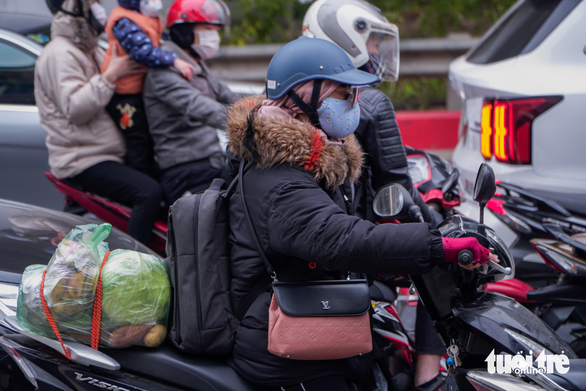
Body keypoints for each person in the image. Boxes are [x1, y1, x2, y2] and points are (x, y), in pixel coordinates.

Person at [225, 36, 495, 391]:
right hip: (285, 352)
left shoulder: (300, 163)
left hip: (313, 322)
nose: (354, 103)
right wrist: (438, 245)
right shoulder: (280, 180)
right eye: (344, 94)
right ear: (303, 97)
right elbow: (343, 239)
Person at [303, 2, 446, 389]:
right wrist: (439, 232)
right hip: (356, 249)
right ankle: (427, 375)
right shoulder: (369, 103)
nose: (378, 53)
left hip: (306, 257)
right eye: (372, 42)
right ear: (346, 38)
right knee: (437, 258)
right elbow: (396, 185)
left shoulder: (294, 98)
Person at [35, 0, 163, 245]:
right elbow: (75, 109)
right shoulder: (60, 53)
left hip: (106, 153)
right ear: (74, 6)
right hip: (83, 159)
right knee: (148, 192)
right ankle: (134, 264)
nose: (99, 7)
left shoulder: (86, 47)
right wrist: (111, 75)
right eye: (92, 2)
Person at [143, 0, 236, 206]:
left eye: (216, 29)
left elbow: (227, 95)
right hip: (185, 171)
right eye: (208, 29)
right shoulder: (164, 70)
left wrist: (269, 102)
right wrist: (246, 122)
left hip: (209, 162)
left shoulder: (194, 62)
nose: (214, 36)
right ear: (184, 31)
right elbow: (199, 106)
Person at [101, 0, 195, 175]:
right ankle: (140, 181)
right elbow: (142, 51)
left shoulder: (146, 16)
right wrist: (174, 60)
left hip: (140, 90)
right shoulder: (123, 21)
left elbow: (162, 39)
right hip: (124, 95)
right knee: (138, 141)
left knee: (149, 139)